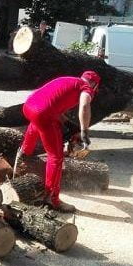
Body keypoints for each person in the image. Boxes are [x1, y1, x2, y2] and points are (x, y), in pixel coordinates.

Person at [16, 71, 101, 213]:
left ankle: (24, 154)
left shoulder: (68, 80)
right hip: (43, 113)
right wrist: (84, 132)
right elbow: (85, 106)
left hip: (28, 106)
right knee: (56, 157)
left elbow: (52, 106)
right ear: (94, 85)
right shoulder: (86, 88)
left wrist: (69, 125)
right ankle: (52, 199)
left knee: (37, 122)